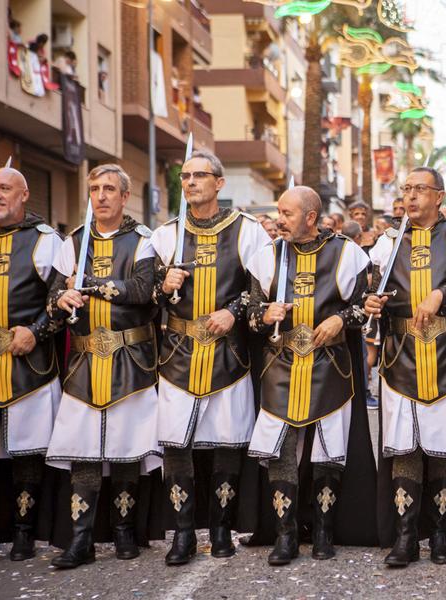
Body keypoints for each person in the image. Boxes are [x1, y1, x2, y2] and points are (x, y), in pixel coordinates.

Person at [244, 186, 377, 565]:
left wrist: (340, 319)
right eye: (279, 213)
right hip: (280, 367)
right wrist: (264, 315)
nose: (279, 220)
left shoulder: (348, 254)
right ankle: (285, 535)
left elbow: (364, 306)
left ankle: (323, 532)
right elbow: (251, 312)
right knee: (281, 449)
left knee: (327, 451)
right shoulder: (265, 257)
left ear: (311, 218)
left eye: (287, 213)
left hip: (328, 367)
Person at [365, 167, 446, 567]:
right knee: (406, 446)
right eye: (406, 189)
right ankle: (405, 538)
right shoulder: (386, 243)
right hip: (401, 357)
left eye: (420, 189)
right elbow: (368, 291)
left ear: (439, 195)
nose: (411, 196)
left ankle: (440, 534)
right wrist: (371, 302)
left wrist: (442, 294)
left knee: (444, 444)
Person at [151, 150, 268, 566]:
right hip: (178, 356)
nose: (191, 182)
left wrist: (232, 311)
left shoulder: (249, 231)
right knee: (175, 444)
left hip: (229, 357)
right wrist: (164, 287)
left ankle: (221, 530)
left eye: (200, 175)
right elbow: (145, 299)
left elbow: (263, 290)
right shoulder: (164, 235)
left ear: (220, 183)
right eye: (185, 176)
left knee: (227, 444)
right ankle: (182, 534)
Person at [45, 165, 161, 568]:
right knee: (84, 452)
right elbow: (53, 299)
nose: (101, 196)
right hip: (83, 361)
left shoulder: (144, 240)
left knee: (126, 448)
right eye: (95, 189)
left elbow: (143, 292)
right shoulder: (73, 242)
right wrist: (60, 301)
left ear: (124, 196)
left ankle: (126, 532)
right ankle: (81, 540)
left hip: (131, 359)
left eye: (109, 188)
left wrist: (89, 284)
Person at [0, 167, 62, 565]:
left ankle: (25, 532)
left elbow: (62, 300)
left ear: (24, 195)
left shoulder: (45, 241)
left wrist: (38, 331)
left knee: (26, 449)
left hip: (29, 363)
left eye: (4, 188)